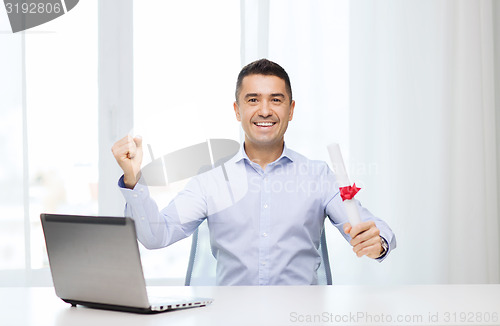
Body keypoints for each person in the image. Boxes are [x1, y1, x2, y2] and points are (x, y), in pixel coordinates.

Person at [112, 59, 396, 286]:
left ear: (290, 109)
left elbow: (373, 229)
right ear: (237, 110)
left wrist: (377, 243)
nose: (264, 110)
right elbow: (155, 236)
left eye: (275, 99)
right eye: (252, 100)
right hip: (230, 318)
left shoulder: (318, 176)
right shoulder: (210, 180)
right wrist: (133, 179)